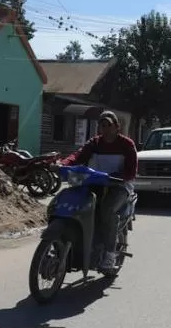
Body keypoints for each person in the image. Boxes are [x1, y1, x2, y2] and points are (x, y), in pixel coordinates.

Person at [59, 111, 138, 270]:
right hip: (93, 182)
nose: (106, 129)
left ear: (117, 127)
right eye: (102, 125)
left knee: (107, 210)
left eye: (109, 125)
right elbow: (78, 156)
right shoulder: (94, 143)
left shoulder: (127, 144)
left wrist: (115, 176)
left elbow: (131, 171)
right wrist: (63, 164)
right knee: (72, 202)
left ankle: (109, 255)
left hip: (119, 186)